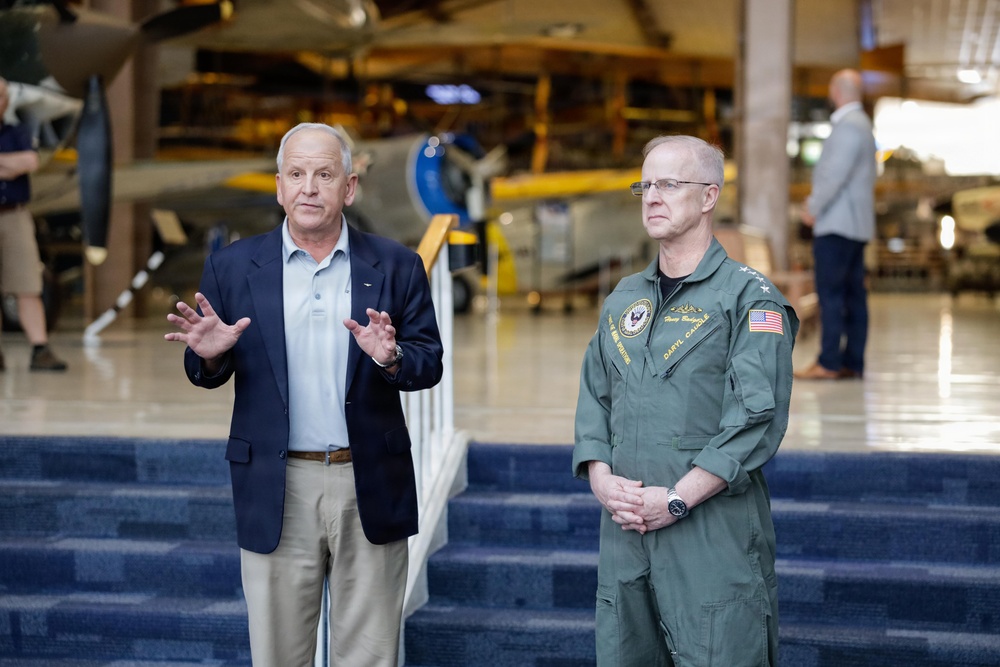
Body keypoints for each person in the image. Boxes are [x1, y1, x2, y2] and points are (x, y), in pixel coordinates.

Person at [164, 122, 444, 667]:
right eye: (296, 174)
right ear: (278, 186)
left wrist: (391, 357)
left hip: (368, 483)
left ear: (349, 187)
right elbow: (204, 370)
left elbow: (427, 362)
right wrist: (210, 353)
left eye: (323, 174)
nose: (309, 188)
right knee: (277, 655)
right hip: (277, 485)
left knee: (369, 655)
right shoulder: (233, 267)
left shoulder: (396, 264)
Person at [573, 135, 798, 667]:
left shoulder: (749, 298)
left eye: (670, 184)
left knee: (721, 650)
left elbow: (755, 422)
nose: (652, 196)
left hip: (709, 529)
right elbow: (594, 397)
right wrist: (603, 480)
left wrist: (676, 499)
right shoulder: (624, 297)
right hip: (628, 529)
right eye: (645, 184)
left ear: (708, 196)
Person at [796, 68, 877, 380]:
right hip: (856, 226)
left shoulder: (847, 126)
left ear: (836, 92)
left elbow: (833, 175)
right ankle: (852, 362)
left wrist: (813, 208)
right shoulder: (864, 126)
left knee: (830, 293)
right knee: (854, 295)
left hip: (837, 225)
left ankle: (828, 362)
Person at [0, 76, 67, 371]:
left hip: (15, 215)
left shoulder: (18, 131)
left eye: (2, 96)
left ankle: (40, 348)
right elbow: (18, 164)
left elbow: (29, 162)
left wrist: (14, 164)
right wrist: (8, 164)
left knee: (28, 283)